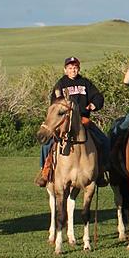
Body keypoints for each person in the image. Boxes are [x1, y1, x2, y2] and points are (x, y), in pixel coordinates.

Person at [35, 57, 110, 187]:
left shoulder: (85, 83)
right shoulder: (61, 84)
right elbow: (55, 103)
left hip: (83, 120)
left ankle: (100, 171)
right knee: (47, 144)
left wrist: (93, 104)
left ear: (78, 68)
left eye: (75, 67)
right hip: (64, 122)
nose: (73, 70)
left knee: (104, 140)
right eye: (70, 68)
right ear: (65, 70)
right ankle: (45, 171)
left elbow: (98, 96)